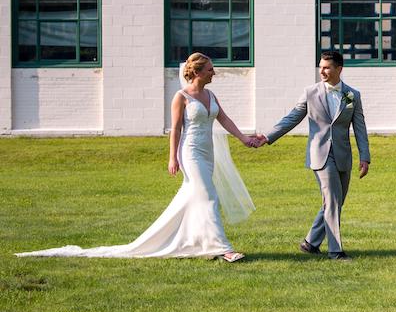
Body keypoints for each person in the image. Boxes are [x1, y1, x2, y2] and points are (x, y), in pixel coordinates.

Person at [16, 53, 254, 262]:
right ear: (198, 71)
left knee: (194, 198)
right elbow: (176, 129)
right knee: (208, 195)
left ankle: (195, 242)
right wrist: (173, 158)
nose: (215, 72)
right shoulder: (181, 97)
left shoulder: (211, 95)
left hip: (207, 152)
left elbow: (224, 119)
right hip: (190, 153)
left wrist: (244, 139)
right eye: (211, 69)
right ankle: (223, 249)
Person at [254, 50, 370, 261]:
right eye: (320, 67)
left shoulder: (352, 95)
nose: (322, 71)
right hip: (320, 155)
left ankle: (310, 243)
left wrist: (365, 156)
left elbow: (360, 127)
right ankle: (336, 251)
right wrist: (268, 136)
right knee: (333, 201)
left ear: (339, 69)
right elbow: (292, 118)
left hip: (344, 156)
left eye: (326, 67)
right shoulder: (310, 92)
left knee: (335, 201)